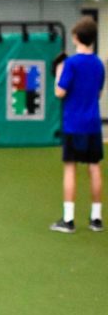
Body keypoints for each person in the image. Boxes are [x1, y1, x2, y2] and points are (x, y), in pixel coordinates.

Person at [50, 16, 104, 233]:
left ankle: (69, 220)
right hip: (93, 124)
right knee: (94, 168)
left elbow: (59, 92)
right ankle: (96, 219)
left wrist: (59, 74)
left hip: (73, 124)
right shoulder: (99, 64)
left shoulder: (70, 64)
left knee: (70, 168)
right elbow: (98, 94)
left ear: (75, 37)